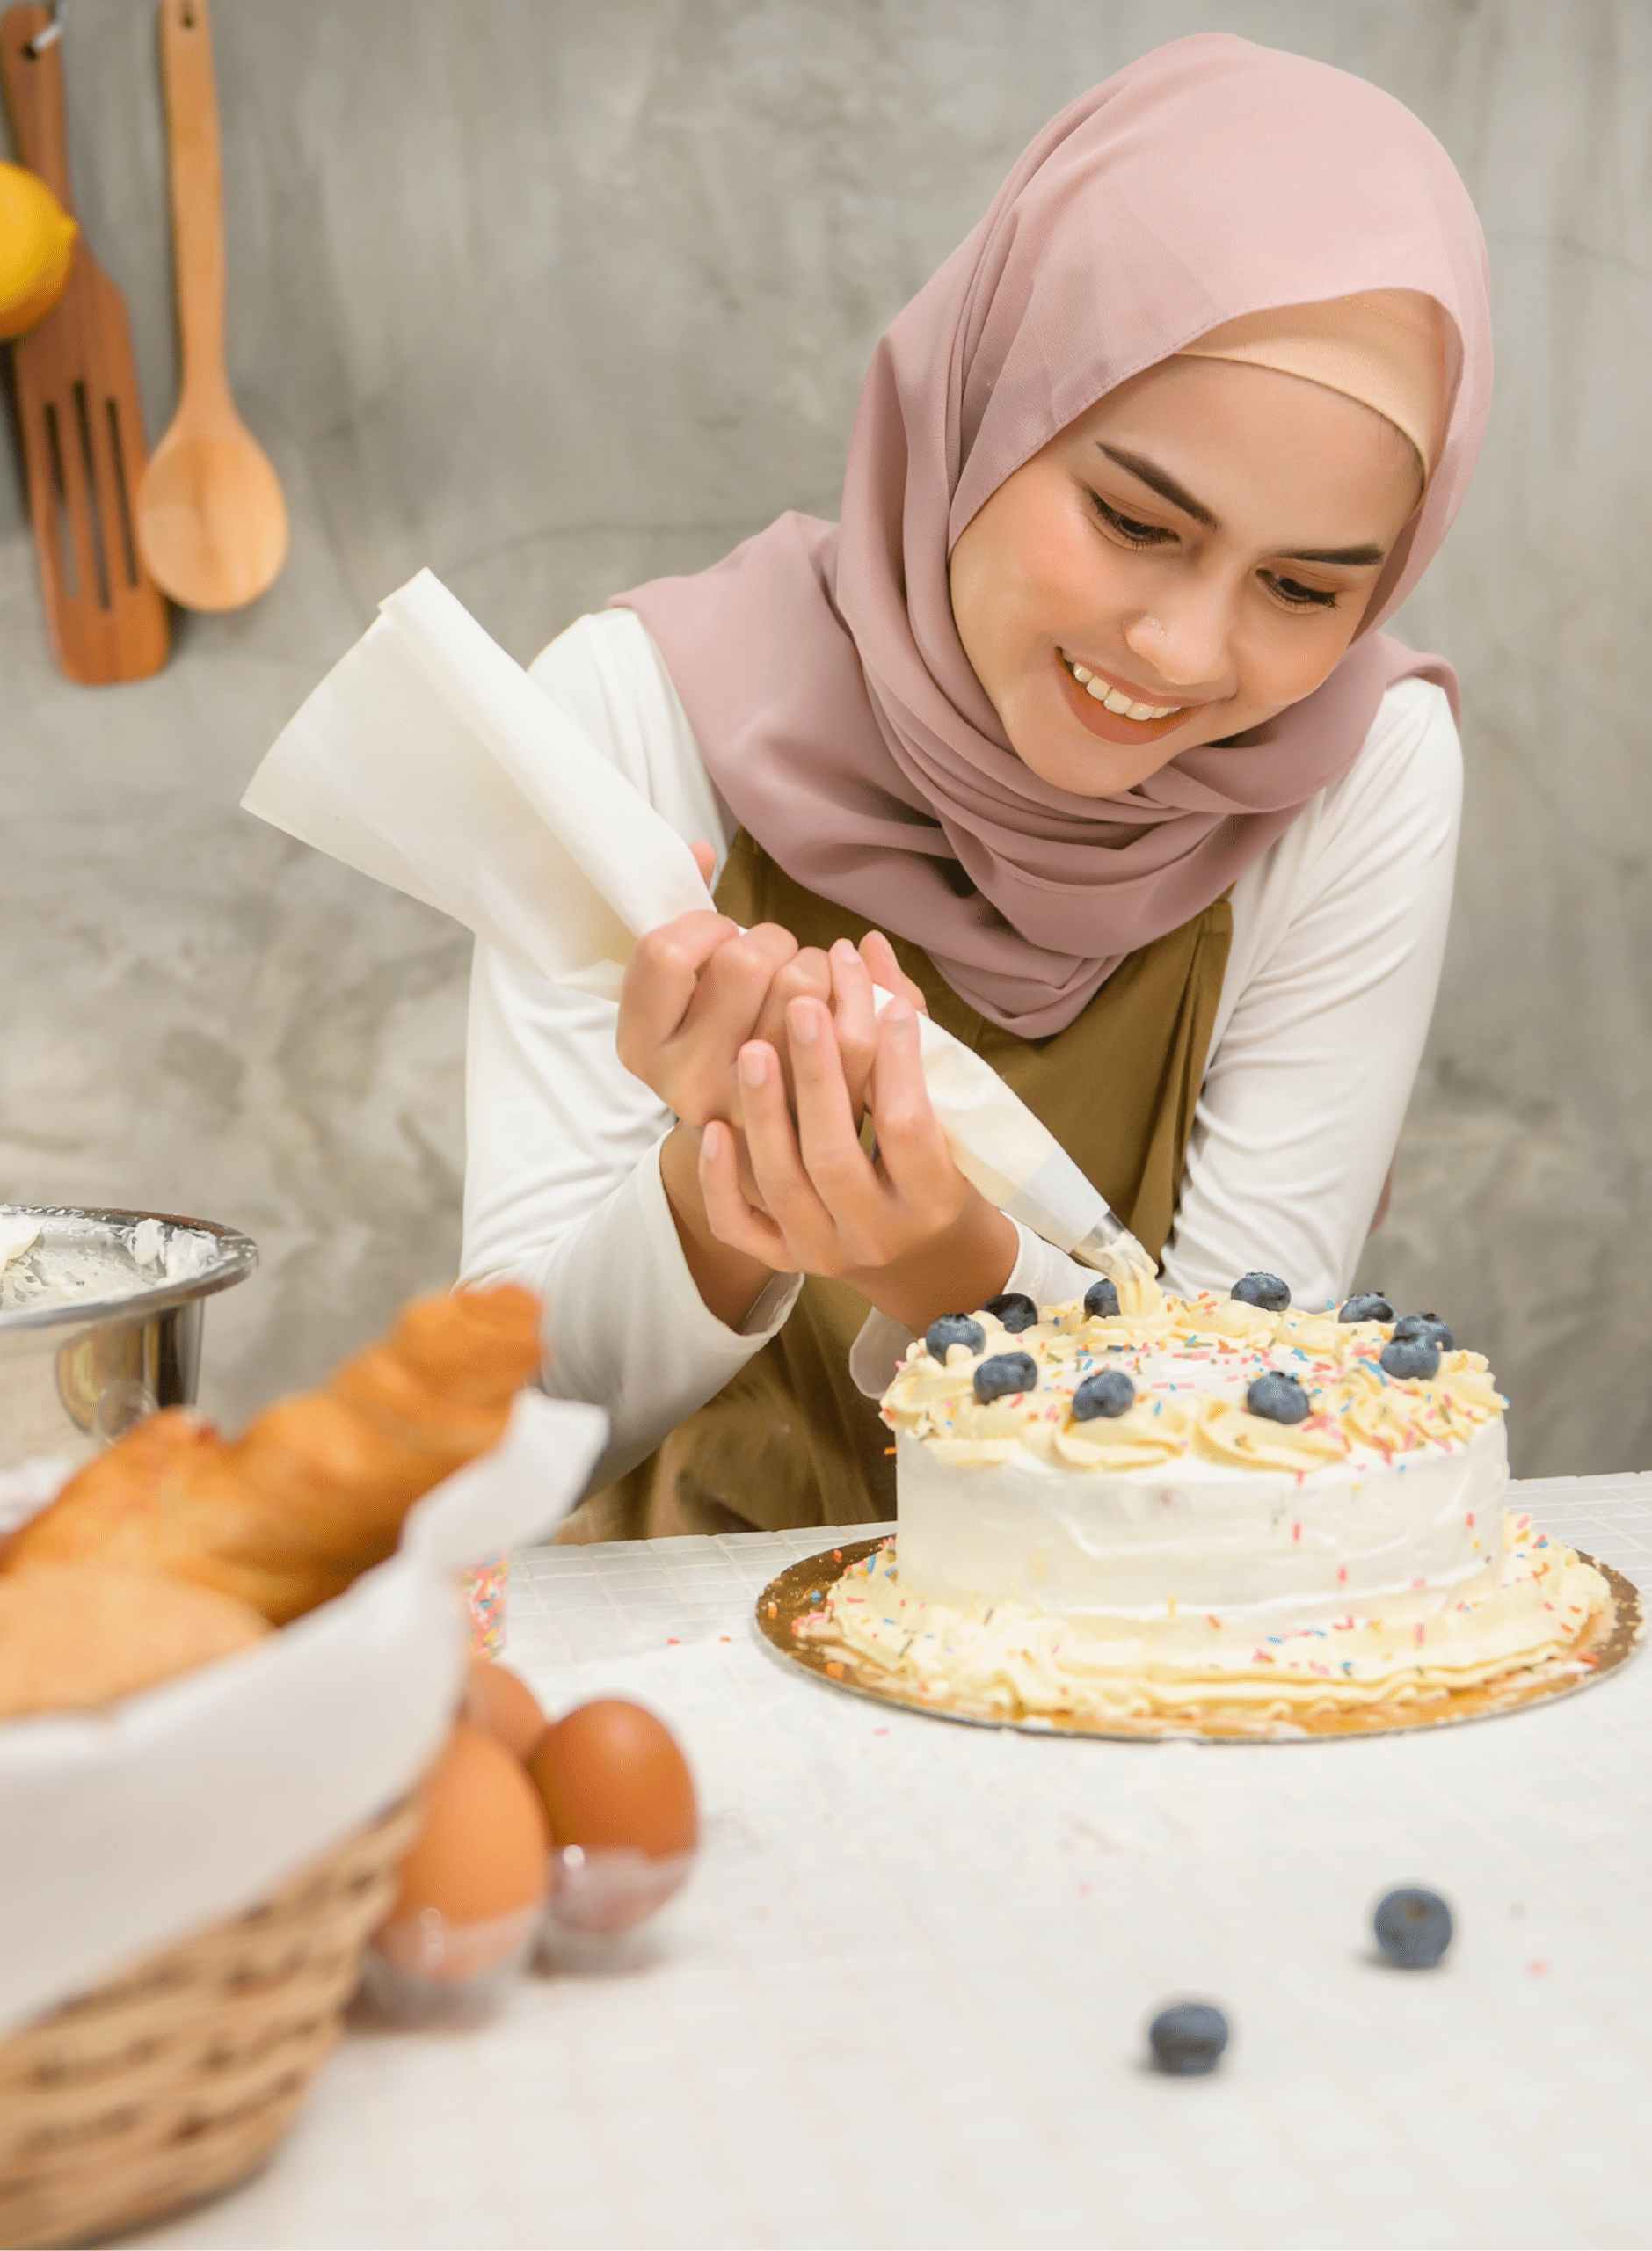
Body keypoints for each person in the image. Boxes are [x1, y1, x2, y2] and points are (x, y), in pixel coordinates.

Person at [460, 33, 1493, 1536]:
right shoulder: (627, 711)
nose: (1186, 652)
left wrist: (951, 1268)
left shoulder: (1361, 771)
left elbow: (1241, 1438)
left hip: (1123, 1702)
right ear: (989, 401)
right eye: (1137, 521)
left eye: (1302, 587)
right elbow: (504, 1424)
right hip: (681, 1700)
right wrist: (710, 1208)